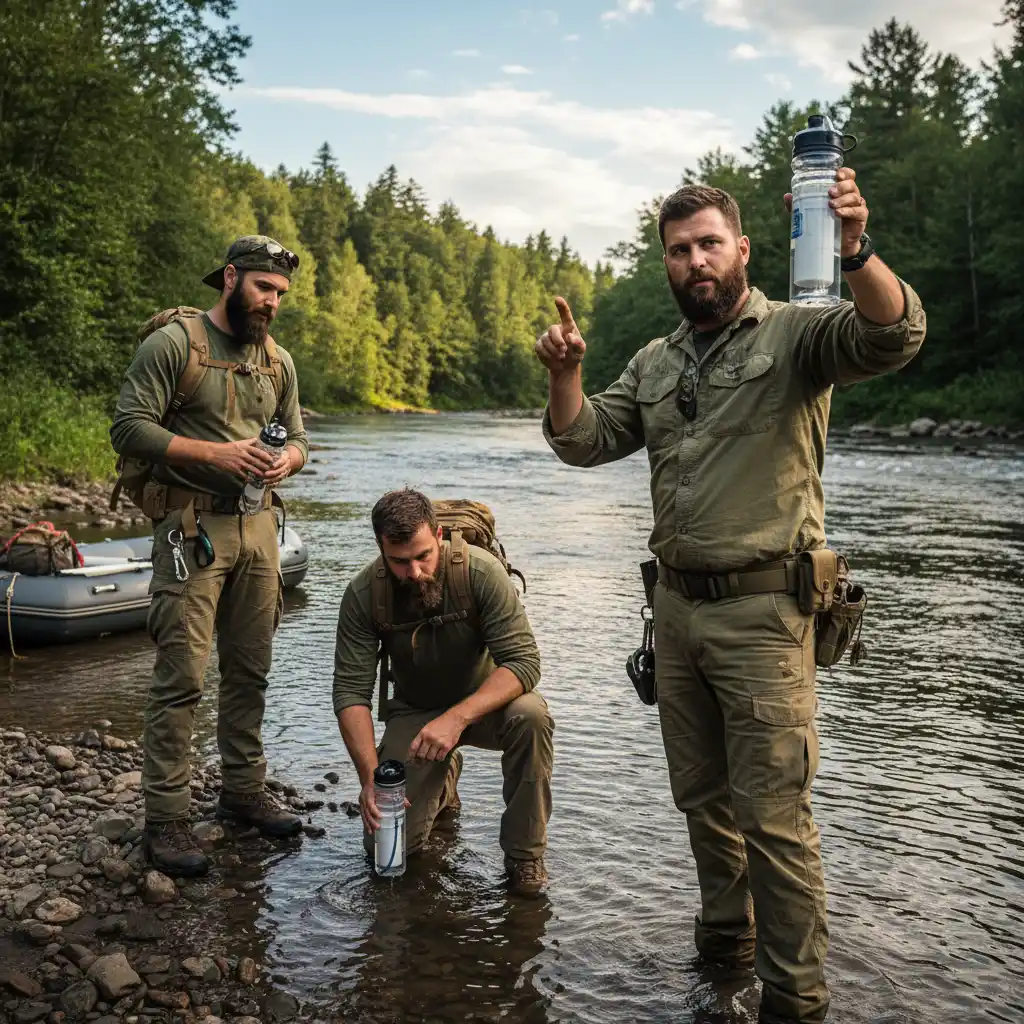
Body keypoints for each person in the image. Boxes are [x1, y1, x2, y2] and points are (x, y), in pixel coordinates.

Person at [535, 171, 926, 1022]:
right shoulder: (655, 360)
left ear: (743, 249)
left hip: (764, 614)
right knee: (702, 800)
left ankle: (796, 1000)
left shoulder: (798, 336)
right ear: (667, 263)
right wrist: (566, 373)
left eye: (710, 243)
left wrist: (854, 249)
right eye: (680, 250)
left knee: (775, 819)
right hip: (674, 613)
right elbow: (583, 440)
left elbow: (892, 336)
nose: (695, 260)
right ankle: (723, 952)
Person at [110, 235, 310, 877]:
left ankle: (242, 793)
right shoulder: (175, 343)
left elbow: (302, 439)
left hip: (260, 531)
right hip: (188, 529)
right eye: (262, 288)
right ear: (230, 278)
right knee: (183, 677)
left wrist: (286, 460)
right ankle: (165, 821)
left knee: (251, 669)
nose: (272, 302)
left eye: (280, 293)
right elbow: (127, 426)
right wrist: (216, 455)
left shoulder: (278, 361)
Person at [332, 488, 554, 897]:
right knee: (386, 853)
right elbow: (351, 693)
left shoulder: (482, 572)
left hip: (488, 708)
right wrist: (369, 779)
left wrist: (456, 720)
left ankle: (524, 855)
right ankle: (444, 776)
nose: (414, 571)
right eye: (399, 561)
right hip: (416, 714)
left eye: (422, 556)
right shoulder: (364, 594)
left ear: (437, 535)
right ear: (381, 548)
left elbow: (524, 663)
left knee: (533, 715)